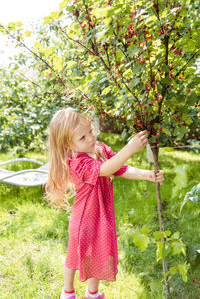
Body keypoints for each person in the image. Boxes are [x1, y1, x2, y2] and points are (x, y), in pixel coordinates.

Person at [45, 107, 164, 299]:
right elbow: (107, 169)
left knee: (98, 253)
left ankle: (92, 293)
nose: (91, 139)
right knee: (75, 256)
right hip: (84, 218)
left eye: (90, 131)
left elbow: (120, 168)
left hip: (102, 214)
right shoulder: (77, 162)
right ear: (68, 144)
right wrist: (130, 148)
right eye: (82, 138)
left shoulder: (99, 149)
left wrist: (146, 175)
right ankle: (67, 291)